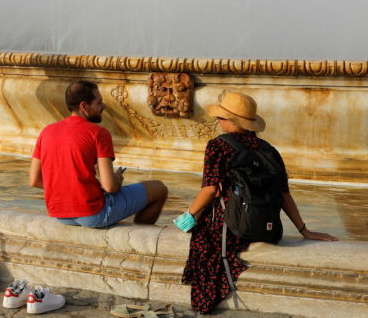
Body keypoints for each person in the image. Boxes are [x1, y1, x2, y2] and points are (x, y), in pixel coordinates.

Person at [178, 91, 337, 314]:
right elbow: (284, 195)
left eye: (221, 117)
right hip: (265, 228)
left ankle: (205, 301)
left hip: (230, 230)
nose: (218, 121)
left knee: (202, 238)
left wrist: (188, 215)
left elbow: (210, 189)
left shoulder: (218, 146)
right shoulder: (269, 150)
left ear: (232, 120)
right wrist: (304, 230)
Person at [30, 80, 168, 229]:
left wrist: (67, 191)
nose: (104, 106)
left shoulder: (46, 132)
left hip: (59, 214)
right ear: (84, 106)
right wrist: (117, 179)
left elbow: (34, 180)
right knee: (158, 189)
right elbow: (110, 187)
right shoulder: (98, 133)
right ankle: (142, 237)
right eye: (99, 102)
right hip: (94, 214)